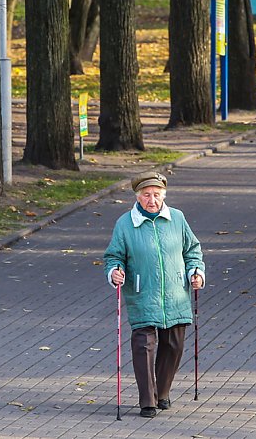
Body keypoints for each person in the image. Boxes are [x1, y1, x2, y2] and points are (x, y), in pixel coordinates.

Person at [103, 171, 206, 418]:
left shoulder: (177, 219)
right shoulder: (125, 224)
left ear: (164, 196)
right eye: (147, 195)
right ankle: (147, 401)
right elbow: (114, 256)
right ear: (138, 197)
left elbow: (192, 249)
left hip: (175, 294)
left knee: (173, 345)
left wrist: (196, 271)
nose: (152, 200)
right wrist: (115, 271)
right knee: (144, 346)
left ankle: (162, 392)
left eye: (157, 195)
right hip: (142, 294)